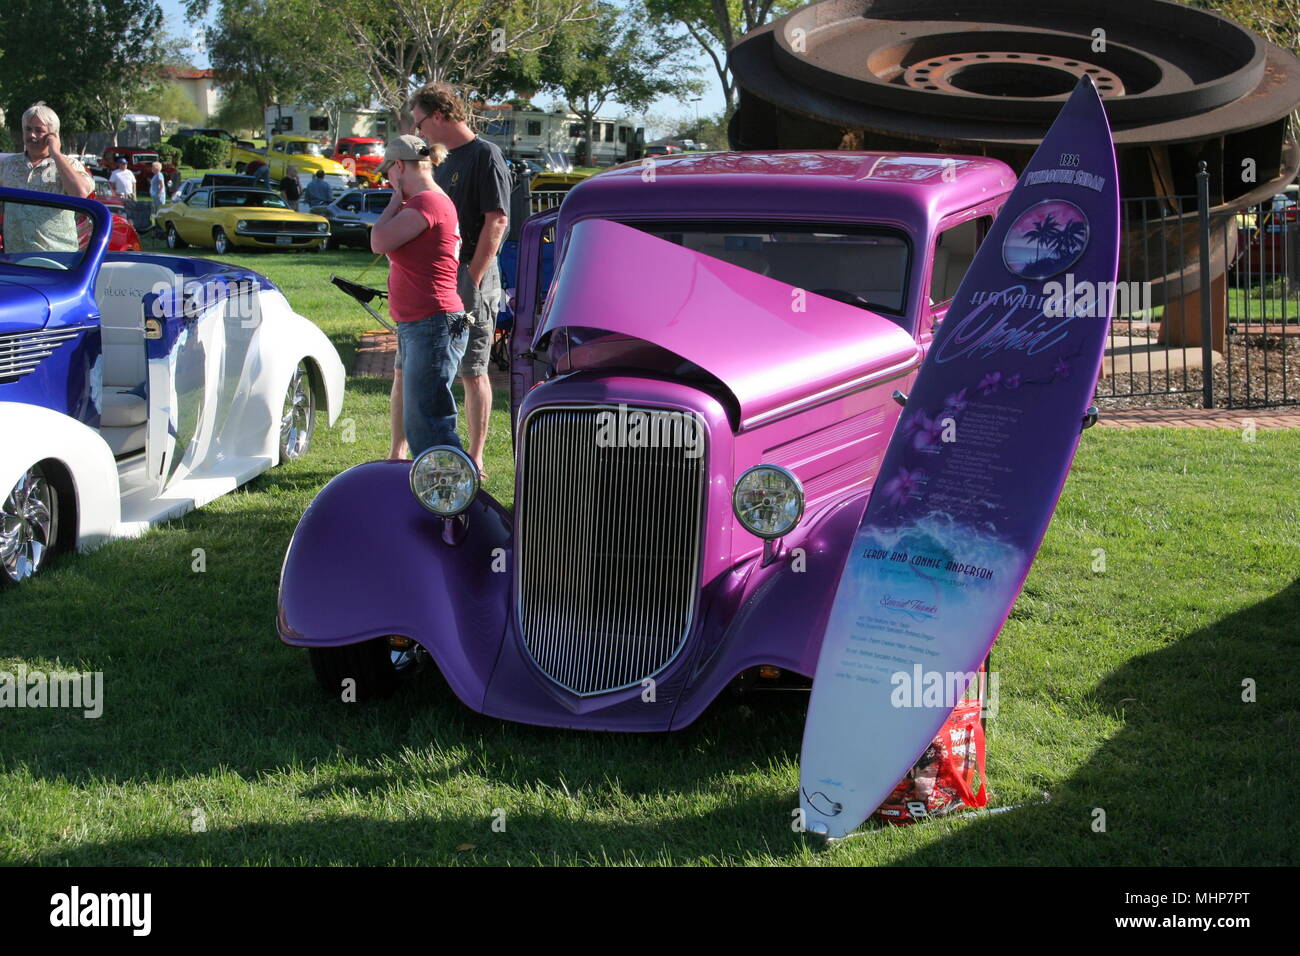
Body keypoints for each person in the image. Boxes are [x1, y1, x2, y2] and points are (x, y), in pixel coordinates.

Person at [403, 82, 511, 478]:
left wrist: (473, 279)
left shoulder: (486, 155)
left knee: (472, 367)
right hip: (436, 280)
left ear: (439, 115)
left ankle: (477, 454)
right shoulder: (436, 160)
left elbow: (497, 220)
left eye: (420, 123)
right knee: (423, 365)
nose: (419, 133)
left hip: (472, 279)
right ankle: (407, 452)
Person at [370, 135, 468, 458]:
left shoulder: (427, 202)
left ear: (399, 166)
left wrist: (392, 203)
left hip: (433, 323)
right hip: (423, 323)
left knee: (429, 426)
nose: (389, 181)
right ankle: (439, 493)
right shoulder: (430, 202)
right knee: (422, 423)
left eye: (389, 174)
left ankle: (451, 497)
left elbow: (379, 240)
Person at [0, 102, 95, 252]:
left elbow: (80, 193)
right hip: (15, 259)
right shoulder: (8, 164)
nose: (32, 135)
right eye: (28, 129)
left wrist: (56, 153)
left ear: (53, 135)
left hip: (57, 259)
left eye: (39, 130)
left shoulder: (70, 164)